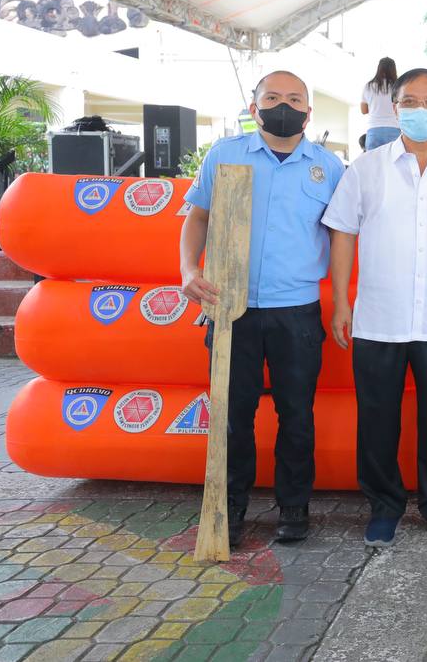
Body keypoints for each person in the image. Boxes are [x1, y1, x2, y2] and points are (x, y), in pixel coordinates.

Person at [179, 70, 344, 546]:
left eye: (294, 98)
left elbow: (340, 237)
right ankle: (229, 508)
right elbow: (198, 218)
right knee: (233, 416)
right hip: (230, 308)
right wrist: (189, 269)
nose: (283, 106)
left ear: (308, 112)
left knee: (297, 415)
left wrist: (341, 301)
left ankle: (294, 506)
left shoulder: (328, 168)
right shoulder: (225, 155)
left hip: (297, 312)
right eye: (272, 98)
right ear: (254, 108)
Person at [323, 68, 427, 549]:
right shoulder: (365, 168)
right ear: (394, 108)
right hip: (379, 318)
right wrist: (342, 301)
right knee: (377, 419)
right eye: (410, 101)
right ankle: (384, 507)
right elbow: (343, 234)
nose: (420, 110)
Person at [361, 57, 400, 152]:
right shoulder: (399, 87)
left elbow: (364, 110)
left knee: (372, 160)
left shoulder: (368, 86)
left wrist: (375, 107)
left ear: (379, 69)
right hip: (394, 128)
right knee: (394, 160)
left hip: (374, 130)